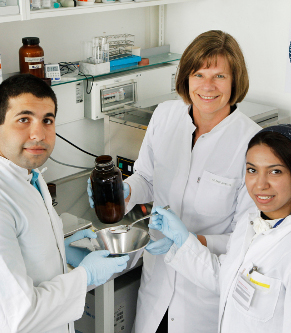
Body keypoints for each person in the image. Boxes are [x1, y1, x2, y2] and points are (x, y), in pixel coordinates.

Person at [88, 30, 261, 332]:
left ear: (235, 82)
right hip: (157, 287)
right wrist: (125, 191)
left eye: (219, 76)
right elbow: (147, 178)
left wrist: (188, 242)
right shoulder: (165, 117)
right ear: (186, 78)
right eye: (198, 74)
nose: (207, 86)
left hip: (204, 298)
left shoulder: (252, 144)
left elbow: (247, 240)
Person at [0, 74, 129, 333]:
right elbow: (19, 317)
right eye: (24, 119)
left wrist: (59, 245)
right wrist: (85, 277)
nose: (38, 134)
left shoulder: (26, 176)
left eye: (47, 120)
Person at [149, 124, 291, 333]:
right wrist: (184, 242)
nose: (260, 184)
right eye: (252, 170)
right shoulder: (251, 222)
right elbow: (226, 279)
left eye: (275, 172)